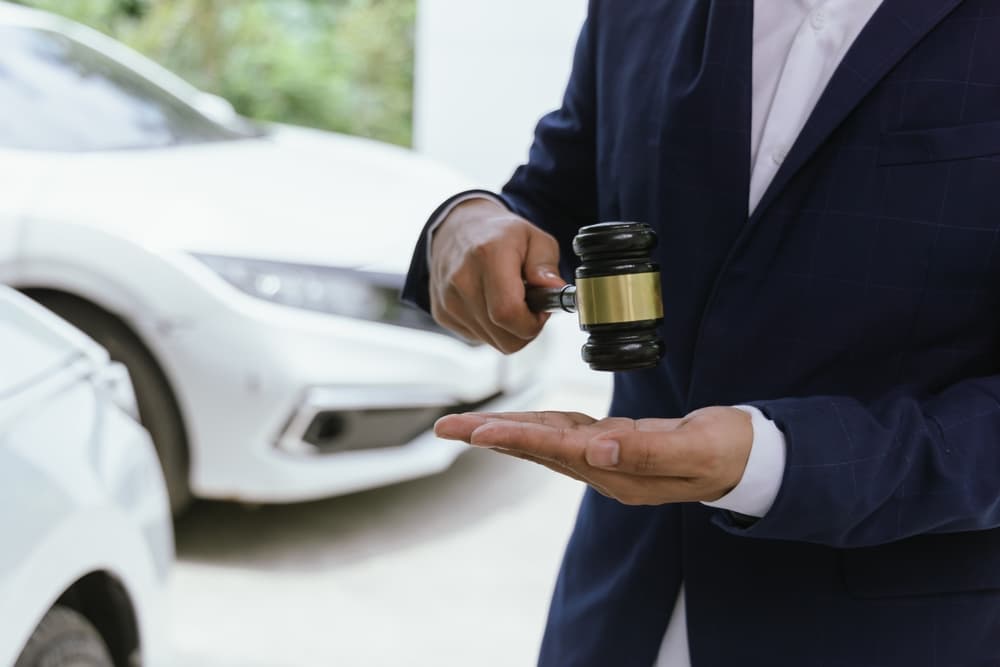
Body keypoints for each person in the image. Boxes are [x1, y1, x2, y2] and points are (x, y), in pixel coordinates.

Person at [403, 1, 1000, 665]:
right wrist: (465, 220)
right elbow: (561, 193)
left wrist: (774, 461)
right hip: (614, 605)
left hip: (902, 630)